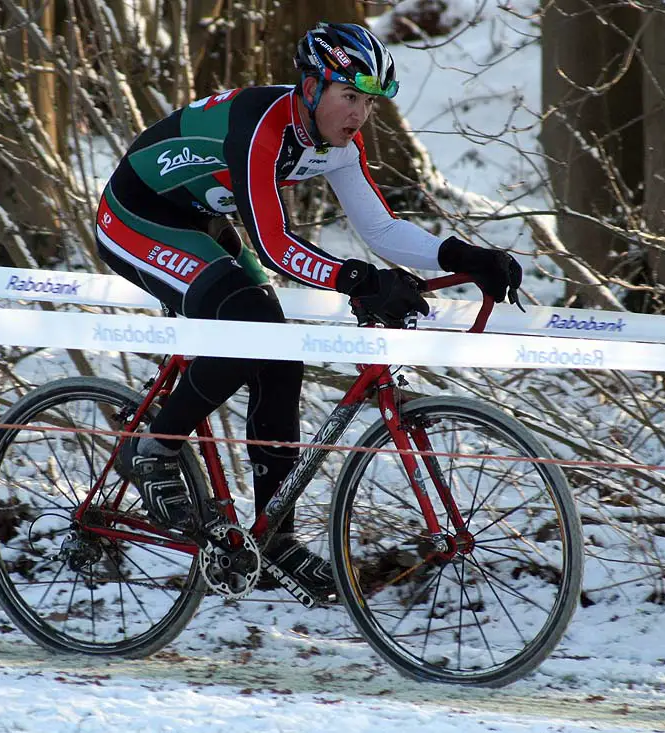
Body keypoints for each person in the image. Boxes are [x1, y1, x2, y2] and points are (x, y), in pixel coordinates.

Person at [95, 21, 522, 602]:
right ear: (311, 86)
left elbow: (380, 228)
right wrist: (357, 280)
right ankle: (153, 450)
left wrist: (466, 255)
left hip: (202, 220)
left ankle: (274, 540)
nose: (358, 115)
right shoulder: (262, 127)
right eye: (349, 97)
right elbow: (274, 244)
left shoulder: (339, 146)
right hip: (137, 215)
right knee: (252, 329)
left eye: (367, 103)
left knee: (281, 354)